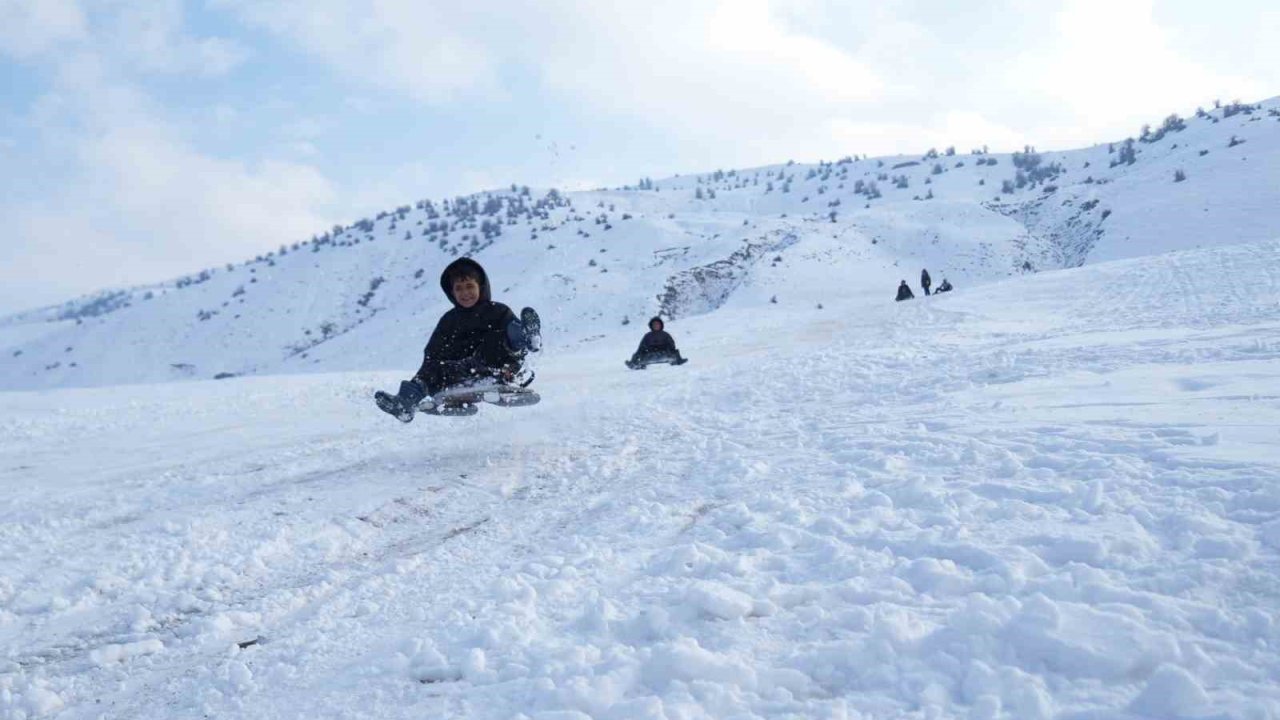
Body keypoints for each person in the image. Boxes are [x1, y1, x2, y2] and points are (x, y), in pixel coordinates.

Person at [375, 257, 541, 421]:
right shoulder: (449, 320)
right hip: (462, 373)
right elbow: (432, 354)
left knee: (506, 333)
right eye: (459, 288)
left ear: (481, 287)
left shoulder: (498, 311)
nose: (465, 293)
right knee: (431, 369)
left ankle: (530, 337)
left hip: (497, 368)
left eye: (470, 286)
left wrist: (514, 366)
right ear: (452, 293)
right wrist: (430, 378)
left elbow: (511, 344)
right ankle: (405, 404)